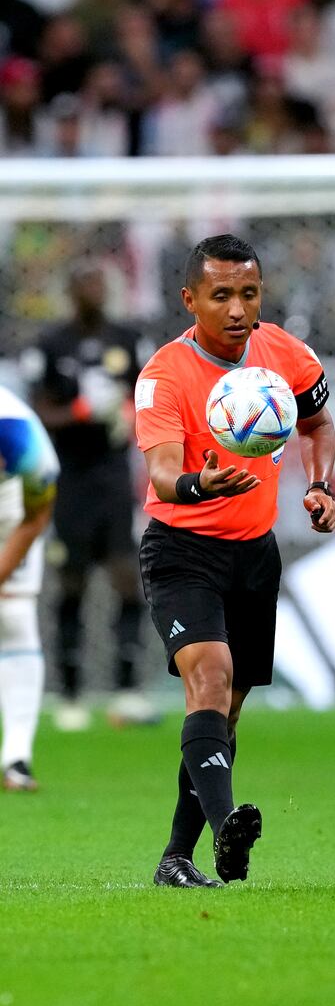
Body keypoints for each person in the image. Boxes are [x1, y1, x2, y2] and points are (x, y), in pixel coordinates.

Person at [136, 233, 335, 888]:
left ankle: (177, 857)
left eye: (247, 292)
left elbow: (318, 424)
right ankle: (227, 826)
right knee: (211, 680)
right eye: (220, 294)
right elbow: (165, 473)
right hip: (182, 550)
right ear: (189, 298)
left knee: (225, 711)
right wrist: (203, 482)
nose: (236, 307)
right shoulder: (165, 374)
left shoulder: (284, 354)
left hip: (255, 556)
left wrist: (319, 483)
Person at [26, 261, 156, 732]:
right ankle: (70, 695)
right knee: (73, 582)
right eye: (85, 283)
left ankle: (127, 692)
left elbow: (152, 396)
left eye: (100, 282)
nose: (94, 290)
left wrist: (129, 412)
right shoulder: (49, 344)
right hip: (69, 479)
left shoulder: (127, 338)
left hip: (113, 478)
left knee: (126, 578)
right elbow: (38, 410)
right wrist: (80, 410)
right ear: (70, 291)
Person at [0, 384, 59, 790]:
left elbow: (36, 516)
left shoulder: (20, 436)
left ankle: (16, 757)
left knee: (14, 617)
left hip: (10, 511)